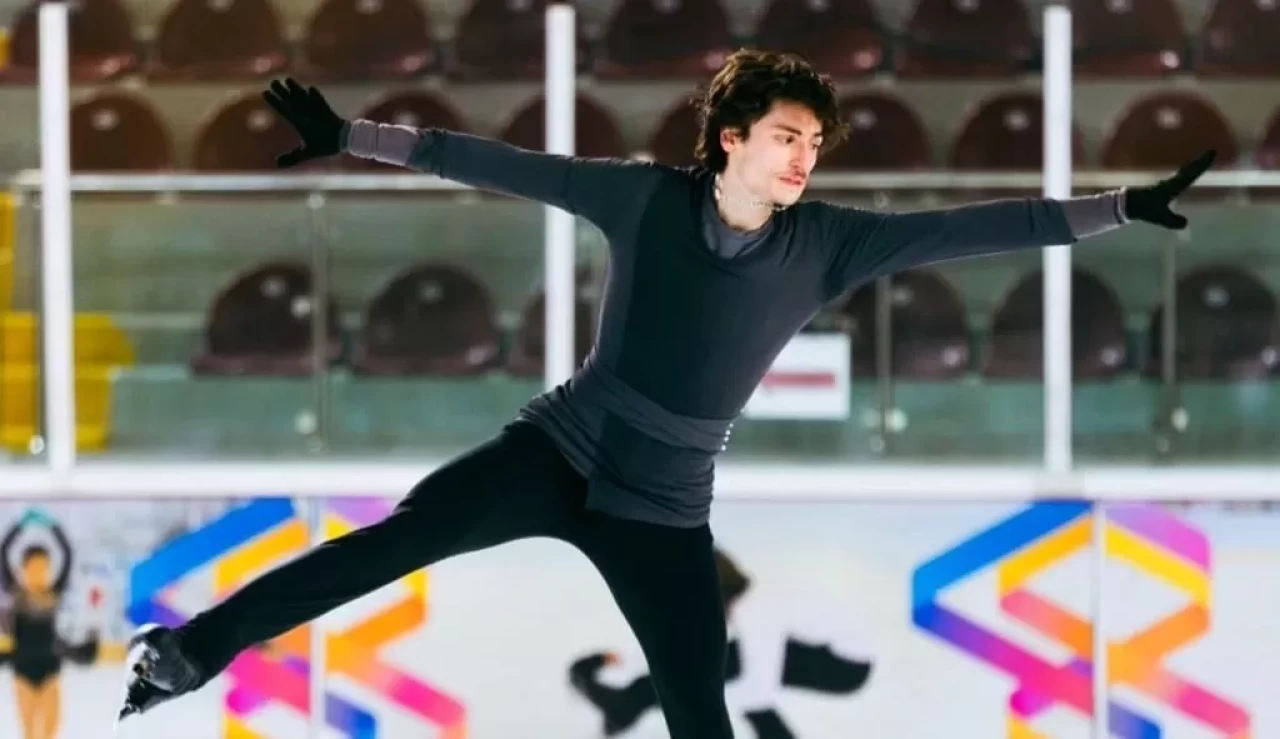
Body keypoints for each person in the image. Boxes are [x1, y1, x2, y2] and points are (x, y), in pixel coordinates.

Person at [117, 49, 1212, 738]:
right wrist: (352, 137)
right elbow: (491, 161)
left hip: (663, 506)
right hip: (558, 449)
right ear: (731, 137)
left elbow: (980, 228)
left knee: (700, 714)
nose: (803, 157)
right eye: (785, 136)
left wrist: (1119, 206)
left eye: (814, 143)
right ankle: (186, 653)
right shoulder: (643, 198)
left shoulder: (828, 243)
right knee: (390, 543)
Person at [569, 548, 874, 738]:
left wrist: (691, 705)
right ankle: (630, 702)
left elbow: (759, 687)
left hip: (845, 667)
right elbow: (689, 645)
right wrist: (623, 658)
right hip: (834, 656)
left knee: (728, 677)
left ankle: (628, 704)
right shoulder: (749, 604)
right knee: (719, 671)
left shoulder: (757, 612)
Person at [1, 510, 99, 739]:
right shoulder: (17, 595)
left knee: (50, 731)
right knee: (30, 732)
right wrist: (20, 526)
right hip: (23, 674)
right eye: (33, 567)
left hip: (49, 673)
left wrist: (53, 526)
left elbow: (67, 554)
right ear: (24, 568)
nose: (38, 572)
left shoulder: (53, 594)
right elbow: (3, 552)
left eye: (42, 566)